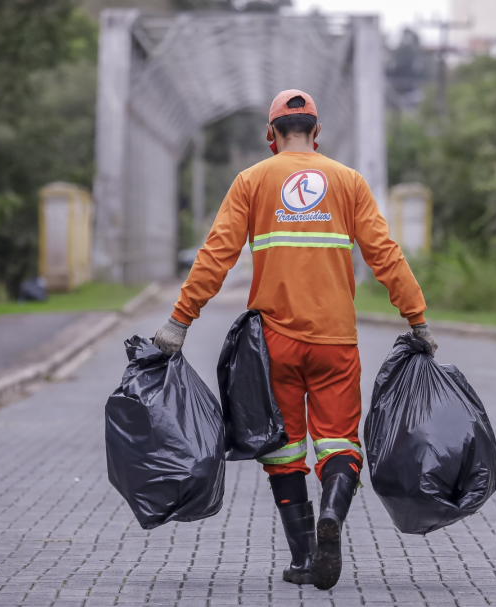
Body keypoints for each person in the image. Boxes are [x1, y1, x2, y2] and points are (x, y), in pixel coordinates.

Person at [153, 89, 438, 590]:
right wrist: (417, 319)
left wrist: (181, 320)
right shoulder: (347, 181)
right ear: (317, 132)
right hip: (335, 341)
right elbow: (385, 255)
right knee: (339, 441)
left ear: (271, 136)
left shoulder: (252, 181)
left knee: (284, 450)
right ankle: (332, 512)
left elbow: (215, 255)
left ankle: (306, 556)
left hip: (274, 345)